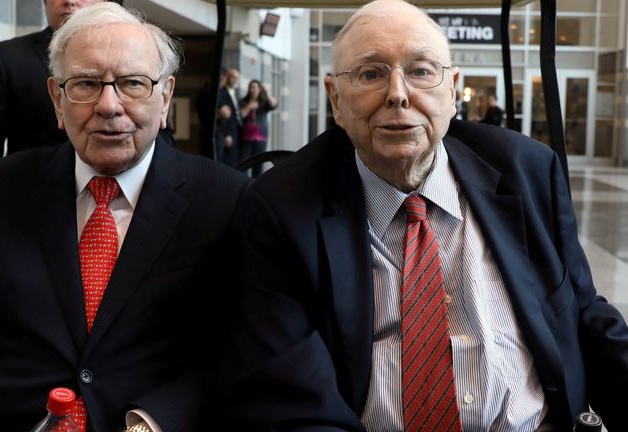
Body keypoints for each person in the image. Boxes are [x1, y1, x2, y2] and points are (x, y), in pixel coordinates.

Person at [222, 1, 628, 431]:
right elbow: (289, 398)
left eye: (420, 71)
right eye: (371, 73)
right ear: (335, 99)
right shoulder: (280, 207)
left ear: (452, 90)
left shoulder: (526, 170)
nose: (398, 94)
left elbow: (585, 312)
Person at [0, 3, 249, 432]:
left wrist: (155, 421)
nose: (109, 105)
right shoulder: (1, 189)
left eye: (132, 83)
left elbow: (238, 348)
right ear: (56, 98)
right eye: (86, 84)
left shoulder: (225, 200)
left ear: (165, 97)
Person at [0, 0, 106, 205]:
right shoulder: (8, 58)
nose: (70, 1)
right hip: (30, 207)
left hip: (117, 207)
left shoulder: (132, 55)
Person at [238, 79, 278, 176]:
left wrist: (266, 93)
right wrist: (250, 106)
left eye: (255, 87)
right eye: (251, 87)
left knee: (258, 166)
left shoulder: (263, 102)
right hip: (246, 139)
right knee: (243, 165)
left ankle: (255, 187)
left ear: (259, 89)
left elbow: (273, 104)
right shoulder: (243, 101)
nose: (253, 90)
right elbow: (241, 115)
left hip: (260, 139)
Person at [215, 68, 241, 167]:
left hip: (235, 131)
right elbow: (224, 116)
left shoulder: (233, 92)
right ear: (227, 78)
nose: (236, 80)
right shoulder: (222, 92)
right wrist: (227, 134)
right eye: (233, 77)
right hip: (226, 132)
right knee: (227, 163)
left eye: (237, 78)